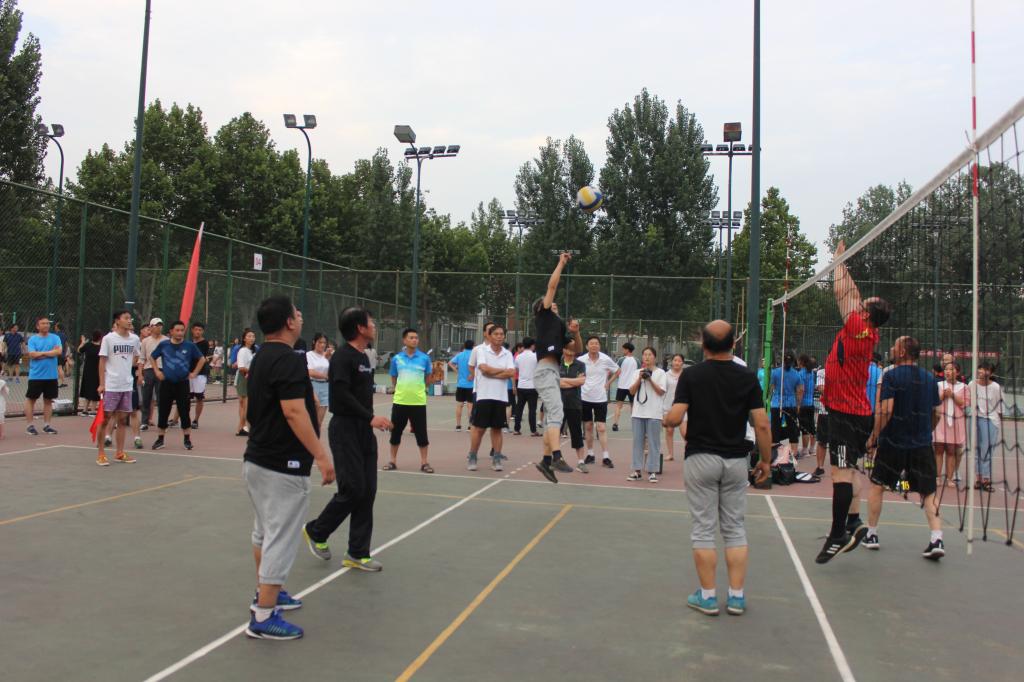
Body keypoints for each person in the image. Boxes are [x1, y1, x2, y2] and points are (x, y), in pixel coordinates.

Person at [664, 320, 772, 617]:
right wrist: (766, 461)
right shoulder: (747, 377)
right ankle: (736, 597)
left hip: (701, 459)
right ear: (733, 344)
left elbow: (675, 416)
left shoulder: (692, 375)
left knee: (703, 529)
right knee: (734, 529)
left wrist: (669, 419)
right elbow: (762, 423)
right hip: (736, 461)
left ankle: (708, 596)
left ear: (703, 345)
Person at [242, 295, 335, 640]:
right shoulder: (288, 359)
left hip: (257, 460)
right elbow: (293, 412)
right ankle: (263, 616)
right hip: (283, 465)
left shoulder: (262, 356)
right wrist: (321, 456)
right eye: (297, 312)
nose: (301, 316)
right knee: (280, 538)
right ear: (288, 322)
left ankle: (268, 591)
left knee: (264, 532)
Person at [816, 240, 892, 564]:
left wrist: (837, 262)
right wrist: (844, 262)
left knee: (840, 475)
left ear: (866, 314)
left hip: (846, 417)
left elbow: (842, 294)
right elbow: (852, 295)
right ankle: (854, 521)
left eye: (864, 304)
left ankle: (837, 535)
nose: (858, 303)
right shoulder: (865, 328)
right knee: (849, 471)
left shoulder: (859, 328)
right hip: (854, 414)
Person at [304, 307, 392, 572]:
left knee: (367, 491)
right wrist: (370, 417)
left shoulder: (364, 356)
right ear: (360, 328)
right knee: (353, 488)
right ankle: (317, 531)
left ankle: (357, 552)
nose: (374, 325)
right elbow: (340, 397)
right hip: (345, 430)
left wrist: (371, 420)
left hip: (363, 431)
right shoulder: (342, 357)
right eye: (371, 322)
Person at [863, 336, 945, 558]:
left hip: (893, 443)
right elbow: (937, 412)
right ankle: (937, 539)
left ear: (901, 352)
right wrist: (926, 431)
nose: (891, 348)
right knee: (928, 492)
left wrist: (873, 437)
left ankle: (871, 535)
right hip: (922, 445)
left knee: (877, 486)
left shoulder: (891, 376)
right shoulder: (930, 378)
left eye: (895, 346)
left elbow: (886, 410)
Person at [531, 253, 583, 483]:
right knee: (556, 413)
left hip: (552, 372)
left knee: (553, 415)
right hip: (544, 370)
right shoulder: (543, 316)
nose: (553, 303)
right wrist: (561, 263)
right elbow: (552, 285)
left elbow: (577, 349)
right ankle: (556, 456)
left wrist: (576, 333)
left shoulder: (558, 328)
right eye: (549, 302)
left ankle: (545, 461)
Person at [149, 321, 205, 451]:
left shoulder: (189, 346)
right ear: (171, 332)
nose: (180, 333)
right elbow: (152, 357)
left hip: (182, 383)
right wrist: (157, 371)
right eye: (177, 330)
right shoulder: (164, 345)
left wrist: (194, 373)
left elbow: (202, 359)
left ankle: (187, 439)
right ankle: (160, 439)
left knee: (184, 411)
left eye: (182, 330)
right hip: (166, 383)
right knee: (163, 411)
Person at [466, 324, 515, 472]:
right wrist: (502, 371)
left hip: (500, 396)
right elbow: (484, 369)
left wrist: (494, 373)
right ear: (489, 335)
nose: (499, 336)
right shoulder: (481, 350)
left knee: (497, 429)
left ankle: (497, 458)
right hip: (484, 395)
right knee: (479, 429)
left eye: (501, 334)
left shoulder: (507, 354)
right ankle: (473, 455)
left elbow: (511, 372)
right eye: (496, 334)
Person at [384, 328, 434, 473]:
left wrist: (420, 389)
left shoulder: (424, 358)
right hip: (400, 401)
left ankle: (424, 463)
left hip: (418, 402)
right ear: (404, 340)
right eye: (411, 337)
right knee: (395, 432)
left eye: (416, 338)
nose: (414, 340)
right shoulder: (397, 359)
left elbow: (428, 379)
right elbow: (394, 378)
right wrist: (400, 389)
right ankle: (392, 461)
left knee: (421, 433)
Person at [96, 311, 141, 466]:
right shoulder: (108, 339)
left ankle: (119, 453)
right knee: (105, 419)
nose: (129, 321)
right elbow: (102, 362)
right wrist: (102, 383)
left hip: (126, 385)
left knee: (122, 420)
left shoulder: (134, 339)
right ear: (117, 320)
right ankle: (101, 454)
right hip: (111, 385)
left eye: (130, 318)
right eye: (126, 318)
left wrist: (129, 366)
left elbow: (137, 357)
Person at [627, 346, 667, 483]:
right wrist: (640, 378)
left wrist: (650, 379)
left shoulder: (661, 373)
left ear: (654, 357)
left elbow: (661, 391)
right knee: (637, 443)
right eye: (645, 354)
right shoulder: (636, 372)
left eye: (650, 355)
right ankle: (637, 471)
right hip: (638, 413)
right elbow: (632, 392)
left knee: (653, 443)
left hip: (654, 413)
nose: (647, 357)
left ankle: (652, 471)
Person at [580, 335, 619, 469]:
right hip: (585, 397)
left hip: (600, 398)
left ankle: (606, 457)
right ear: (587, 346)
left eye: (596, 343)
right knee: (588, 427)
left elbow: (618, 371)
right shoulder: (581, 360)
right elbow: (575, 374)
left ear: (599, 346)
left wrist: (608, 383)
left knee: (601, 427)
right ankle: (590, 454)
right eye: (591, 343)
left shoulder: (605, 359)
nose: (594, 345)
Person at [968, 361, 1004, 492]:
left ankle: (986, 479)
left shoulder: (995, 387)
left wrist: (998, 423)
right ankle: (978, 479)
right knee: (976, 449)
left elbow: (1000, 407)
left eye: (986, 369)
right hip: (974, 418)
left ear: (991, 373)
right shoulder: (972, 384)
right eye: (981, 369)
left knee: (986, 450)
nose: (982, 371)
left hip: (990, 420)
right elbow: (968, 401)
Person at [24, 316, 62, 435]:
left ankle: (47, 425)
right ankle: (30, 426)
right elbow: (32, 354)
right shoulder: (33, 339)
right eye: (43, 323)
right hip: (36, 376)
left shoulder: (55, 338)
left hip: (51, 376)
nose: (46, 325)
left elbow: (58, 351)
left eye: (47, 323)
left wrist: (41, 354)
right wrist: (50, 353)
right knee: (31, 400)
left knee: (48, 401)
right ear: (37, 326)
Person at [933, 362, 968, 488]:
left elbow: (964, 403)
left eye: (951, 369)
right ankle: (937, 477)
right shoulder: (938, 385)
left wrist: (952, 395)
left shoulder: (964, 387)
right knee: (938, 450)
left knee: (951, 451)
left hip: (955, 422)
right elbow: (934, 401)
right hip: (940, 421)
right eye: (946, 369)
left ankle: (949, 478)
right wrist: (943, 395)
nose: (948, 372)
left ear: (957, 372)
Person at [768, 351, 803, 461]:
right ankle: (794, 453)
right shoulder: (796, 374)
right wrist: (798, 404)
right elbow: (800, 390)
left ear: (783, 360)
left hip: (776, 403)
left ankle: (774, 454)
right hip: (790, 403)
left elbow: (772, 387)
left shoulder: (775, 372)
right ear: (792, 362)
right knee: (793, 429)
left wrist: (770, 398)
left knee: (775, 428)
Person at [558, 345, 588, 473]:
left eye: (573, 347)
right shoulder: (556, 364)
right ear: (563, 349)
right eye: (568, 347)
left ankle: (581, 462)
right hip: (557, 404)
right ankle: (552, 459)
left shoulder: (580, 364)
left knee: (576, 433)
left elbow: (581, 381)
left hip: (574, 403)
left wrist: (563, 380)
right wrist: (573, 381)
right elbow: (556, 382)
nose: (571, 349)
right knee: (554, 432)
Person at [139, 318, 165, 430]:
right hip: (148, 370)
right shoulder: (145, 341)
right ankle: (144, 422)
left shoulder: (166, 340)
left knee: (162, 397)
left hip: (162, 370)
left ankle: (162, 421)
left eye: (160, 325)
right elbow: (142, 358)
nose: (159, 327)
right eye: (156, 325)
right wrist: (140, 374)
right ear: (150, 327)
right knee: (146, 397)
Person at [513, 337, 539, 436]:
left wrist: (515, 386)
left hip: (521, 385)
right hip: (532, 386)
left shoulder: (518, 357)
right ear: (532, 345)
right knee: (532, 409)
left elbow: (516, 370)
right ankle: (533, 430)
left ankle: (516, 429)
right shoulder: (536, 356)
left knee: (519, 408)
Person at [189, 323, 212, 429]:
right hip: (188, 373)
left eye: (200, 330)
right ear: (192, 330)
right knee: (185, 397)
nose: (198, 331)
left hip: (200, 374)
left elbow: (200, 358)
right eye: (196, 329)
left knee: (199, 397)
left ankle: (196, 420)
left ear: (202, 331)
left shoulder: (204, 343)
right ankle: (179, 419)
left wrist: (195, 372)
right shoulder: (188, 342)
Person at [448, 340, 474, 431]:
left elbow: (450, 363)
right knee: (470, 406)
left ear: (464, 346)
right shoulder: (474, 355)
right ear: (473, 346)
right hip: (471, 384)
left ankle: (458, 426)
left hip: (460, 384)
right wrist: (473, 374)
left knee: (459, 405)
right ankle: (470, 426)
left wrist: (457, 371)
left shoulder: (460, 355)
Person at [663, 353, 685, 461]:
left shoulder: (686, 375)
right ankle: (670, 454)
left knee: (685, 432)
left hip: (683, 407)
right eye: (675, 360)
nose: (677, 362)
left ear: (682, 363)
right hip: (668, 407)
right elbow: (663, 391)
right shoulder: (666, 375)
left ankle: (688, 453)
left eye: (679, 361)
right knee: (669, 430)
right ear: (672, 362)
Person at [306, 332, 331, 426]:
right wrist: (326, 376)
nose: (322, 345)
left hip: (325, 387)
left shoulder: (326, 356)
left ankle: (317, 435)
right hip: (313, 386)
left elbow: (332, 371)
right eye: (320, 342)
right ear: (314, 342)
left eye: (324, 342)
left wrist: (329, 358)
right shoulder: (309, 355)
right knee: (310, 420)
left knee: (318, 423)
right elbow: (310, 372)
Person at [611, 342, 636, 431]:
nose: (622, 351)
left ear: (627, 350)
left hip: (622, 386)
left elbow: (616, 371)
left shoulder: (621, 360)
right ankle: (635, 426)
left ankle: (615, 424)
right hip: (632, 387)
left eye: (623, 349)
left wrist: (609, 382)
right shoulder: (637, 361)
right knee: (633, 406)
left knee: (618, 406)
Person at [236, 329, 256, 436]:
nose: (252, 338)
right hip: (244, 378)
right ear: (244, 339)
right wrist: (254, 371)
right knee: (245, 405)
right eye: (249, 336)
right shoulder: (243, 351)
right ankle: (241, 428)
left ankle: (242, 427)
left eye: (253, 336)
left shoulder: (250, 351)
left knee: (245, 405)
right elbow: (241, 368)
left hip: (249, 377)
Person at [77, 330, 103, 416]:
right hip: (97, 370)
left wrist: (82, 342)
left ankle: (85, 410)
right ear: (100, 337)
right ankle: (93, 410)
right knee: (95, 389)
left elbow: (79, 350)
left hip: (87, 370)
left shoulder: (88, 345)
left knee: (87, 388)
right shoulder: (101, 347)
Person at [797, 354, 817, 458]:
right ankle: (812, 449)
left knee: (804, 428)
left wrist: (798, 405)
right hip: (811, 403)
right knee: (812, 426)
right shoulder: (812, 373)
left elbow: (801, 390)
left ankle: (805, 451)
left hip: (803, 404)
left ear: (801, 362)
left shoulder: (800, 373)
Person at [813, 363, 829, 477]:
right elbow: (821, 388)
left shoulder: (845, 371)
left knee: (841, 442)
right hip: (825, 412)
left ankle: (842, 466)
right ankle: (820, 467)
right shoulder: (822, 372)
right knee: (822, 441)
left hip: (840, 413)